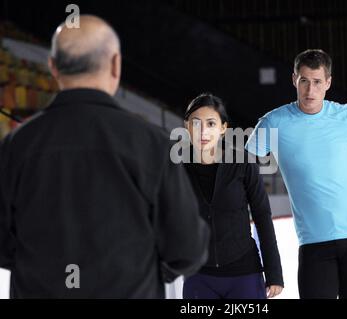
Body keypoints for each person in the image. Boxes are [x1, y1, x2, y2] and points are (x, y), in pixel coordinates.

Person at [0, 15, 209, 298]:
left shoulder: (16, 145)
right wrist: (144, 270)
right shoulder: (153, 144)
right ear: (115, 64)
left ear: (53, 67)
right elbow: (188, 249)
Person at [245, 49, 347, 299]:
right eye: (304, 81)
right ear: (294, 79)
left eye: (317, 82)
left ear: (328, 83)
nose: (310, 91)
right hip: (313, 244)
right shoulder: (274, 122)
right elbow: (242, 165)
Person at [182, 93, 283, 299]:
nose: (203, 131)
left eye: (211, 123)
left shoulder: (242, 163)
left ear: (222, 128)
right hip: (198, 276)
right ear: (187, 126)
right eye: (196, 123)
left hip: (244, 273)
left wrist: (274, 273)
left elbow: (263, 216)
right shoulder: (176, 168)